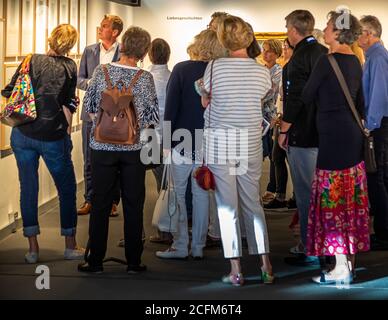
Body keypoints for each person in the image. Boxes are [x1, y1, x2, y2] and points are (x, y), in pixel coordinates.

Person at [78, 26, 159, 274]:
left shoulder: (102, 72)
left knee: (100, 202)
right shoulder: (145, 79)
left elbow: (90, 111)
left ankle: (95, 261)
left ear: (122, 46)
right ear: (144, 51)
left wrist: (106, 126)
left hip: (102, 147)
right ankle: (134, 262)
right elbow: (150, 119)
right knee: (134, 203)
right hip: (133, 149)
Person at [1, 24, 84, 264]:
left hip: (22, 134)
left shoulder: (30, 60)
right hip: (53, 136)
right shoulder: (69, 66)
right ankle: (70, 245)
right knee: (67, 189)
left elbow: (8, 91)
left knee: (28, 188)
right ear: (70, 45)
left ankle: (33, 249)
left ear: (50, 39)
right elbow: (69, 104)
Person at [202, 15, 274, 285]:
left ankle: (236, 270)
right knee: (252, 203)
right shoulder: (261, 71)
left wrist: (206, 96)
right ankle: (265, 264)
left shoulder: (214, 67)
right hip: (250, 143)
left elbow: (205, 97)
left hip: (221, 143)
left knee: (227, 207)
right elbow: (263, 95)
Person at [302, 11, 370, 284]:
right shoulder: (355, 61)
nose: (325, 30)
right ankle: (347, 262)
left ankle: (341, 265)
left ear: (338, 33)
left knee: (332, 202)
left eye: (329, 26)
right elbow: (361, 102)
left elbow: (307, 95)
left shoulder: (325, 61)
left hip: (332, 137)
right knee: (349, 202)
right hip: (352, 137)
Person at [156, 29, 228, 260]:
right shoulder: (220, 72)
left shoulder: (182, 69)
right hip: (208, 141)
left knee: (178, 194)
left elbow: (171, 108)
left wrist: (166, 142)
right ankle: (197, 246)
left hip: (180, 141)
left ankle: (179, 244)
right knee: (200, 194)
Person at [278, 10, 328, 266]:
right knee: (321, 194)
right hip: (323, 133)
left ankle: (310, 246)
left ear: (294, 30)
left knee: (306, 192)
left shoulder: (299, 59)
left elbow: (295, 97)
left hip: (303, 134)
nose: (287, 31)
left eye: (287, 27)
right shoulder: (323, 52)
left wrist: (284, 129)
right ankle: (322, 243)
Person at [77, 15, 123, 217]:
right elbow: (79, 79)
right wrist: (94, 84)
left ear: (114, 32)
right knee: (89, 158)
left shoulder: (124, 52)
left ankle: (112, 201)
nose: (99, 29)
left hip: (114, 114)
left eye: (104, 26)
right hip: (90, 113)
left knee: (113, 158)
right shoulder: (89, 51)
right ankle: (90, 199)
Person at [358, 15, 388, 250]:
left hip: (379, 126)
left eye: (359, 32)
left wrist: (370, 124)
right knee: (378, 177)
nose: (357, 37)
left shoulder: (377, 57)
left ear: (369, 34)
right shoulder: (374, 56)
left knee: (376, 176)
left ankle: (384, 232)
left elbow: (379, 95)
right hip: (379, 124)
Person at [147, 38, 173, 245]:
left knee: (143, 185)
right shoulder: (173, 77)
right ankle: (167, 229)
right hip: (170, 135)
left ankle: (164, 231)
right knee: (166, 184)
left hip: (149, 136)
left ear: (149, 54)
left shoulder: (146, 78)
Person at [259, 39, 284, 208]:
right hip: (259, 117)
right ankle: (270, 188)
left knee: (274, 156)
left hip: (271, 117)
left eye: (269, 51)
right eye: (264, 50)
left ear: (276, 53)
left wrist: (254, 96)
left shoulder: (278, 71)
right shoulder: (261, 70)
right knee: (266, 154)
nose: (265, 53)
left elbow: (269, 92)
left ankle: (273, 189)